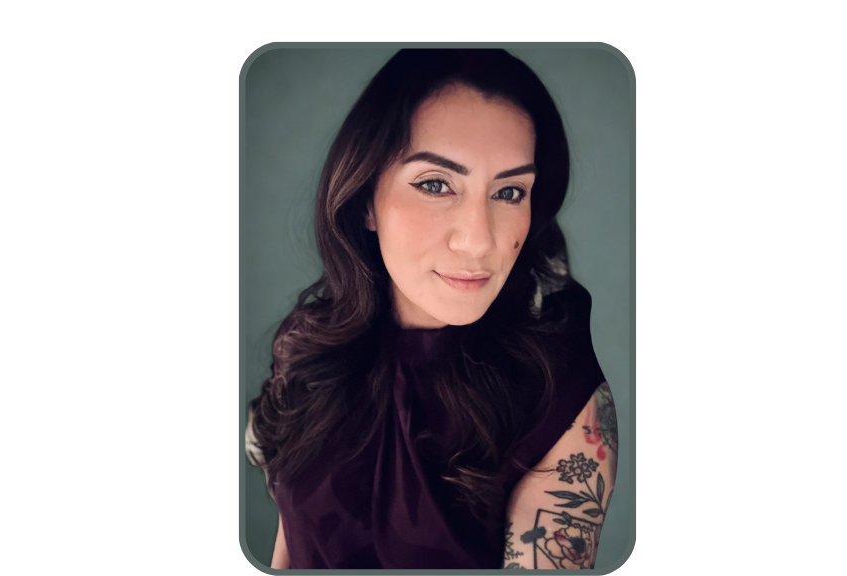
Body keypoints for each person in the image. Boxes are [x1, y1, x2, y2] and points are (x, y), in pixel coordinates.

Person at [245, 48, 618, 570]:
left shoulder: (559, 389)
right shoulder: (305, 345)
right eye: (436, 185)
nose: (478, 241)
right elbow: (291, 543)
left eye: (509, 192)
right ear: (366, 199)